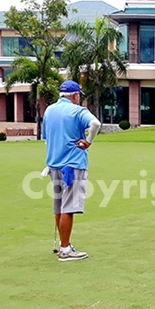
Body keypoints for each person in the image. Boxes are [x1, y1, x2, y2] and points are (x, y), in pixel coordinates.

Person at [42, 80, 101, 262]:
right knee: (68, 207)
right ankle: (66, 250)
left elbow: (47, 139)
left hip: (54, 165)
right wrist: (89, 141)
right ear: (75, 95)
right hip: (72, 165)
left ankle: (64, 244)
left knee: (59, 206)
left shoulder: (49, 110)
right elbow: (96, 124)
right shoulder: (78, 111)